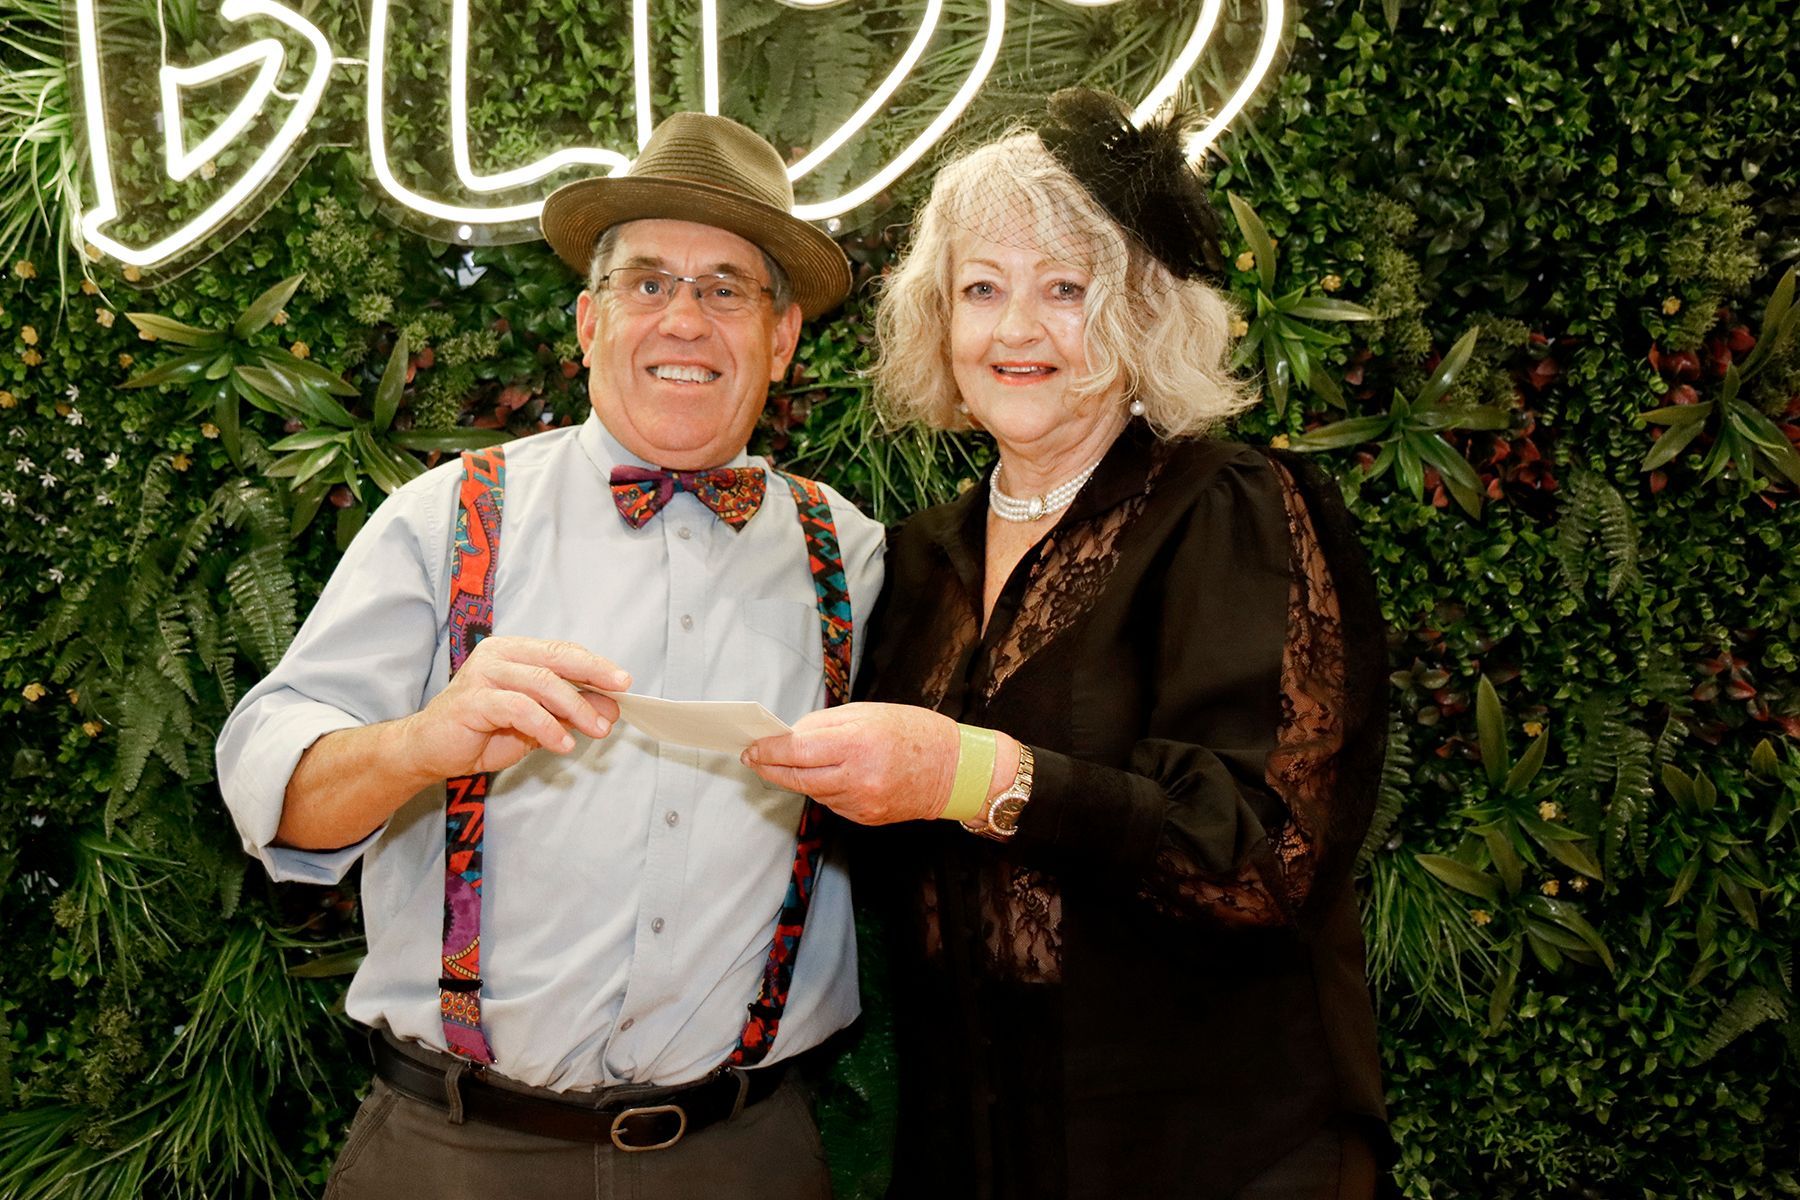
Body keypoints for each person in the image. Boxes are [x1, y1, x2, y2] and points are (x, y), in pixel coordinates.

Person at [216, 112, 884, 1199]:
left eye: (725, 289)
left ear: (783, 335)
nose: (685, 317)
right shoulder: (447, 517)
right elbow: (272, 788)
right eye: (647, 282)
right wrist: (420, 744)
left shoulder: (851, 556)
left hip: (744, 1157)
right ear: (587, 322)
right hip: (452, 1155)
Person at [743, 90, 1390, 1199]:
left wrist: (972, 775)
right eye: (981, 290)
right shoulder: (920, 558)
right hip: (972, 1152)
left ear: (1142, 312)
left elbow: (1263, 863)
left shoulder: (1229, 510)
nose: (1017, 330)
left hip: (1207, 1154)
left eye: (1065, 291)